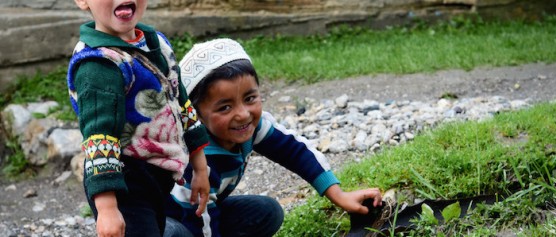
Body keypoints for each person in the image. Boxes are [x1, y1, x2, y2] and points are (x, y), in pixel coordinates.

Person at [165, 38, 382, 237]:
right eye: (225, 107)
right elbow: (199, 219)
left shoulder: (254, 126)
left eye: (249, 98)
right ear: (196, 114)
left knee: (267, 212)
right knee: (176, 233)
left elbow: (294, 151)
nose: (242, 114)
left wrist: (340, 196)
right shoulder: (196, 159)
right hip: (163, 220)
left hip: (200, 213)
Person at [67, 0, 210, 236]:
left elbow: (181, 103)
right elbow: (99, 137)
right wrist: (108, 208)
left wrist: (200, 168)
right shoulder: (98, 65)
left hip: (156, 176)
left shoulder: (157, 44)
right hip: (124, 181)